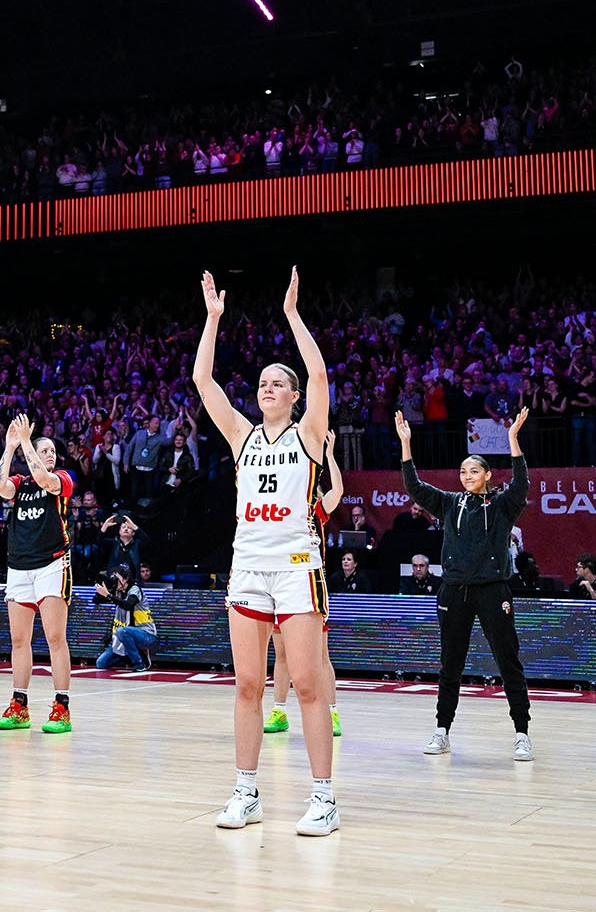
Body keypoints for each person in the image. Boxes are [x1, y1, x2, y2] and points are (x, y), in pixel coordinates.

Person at [194, 267, 338, 837]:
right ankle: (245, 791)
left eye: (277, 384)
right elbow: (205, 382)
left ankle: (324, 797)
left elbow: (322, 373)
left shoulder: (308, 433)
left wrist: (293, 316)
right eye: (261, 384)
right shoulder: (242, 436)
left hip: (298, 569)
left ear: (295, 397)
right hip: (247, 569)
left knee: (306, 684)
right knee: (248, 685)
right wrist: (212, 320)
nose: (266, 389)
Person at [398, 406, 534, 763]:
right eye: (462, 470)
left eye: (474, 470)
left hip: (493, 590)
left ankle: (522, 733)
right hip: (454, 591)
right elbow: (414, 486)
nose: (466, 475)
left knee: (508, 661)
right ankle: (442, 730)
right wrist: (406, 446)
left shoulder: (503, 505)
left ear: (487, 475)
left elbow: (522, 484)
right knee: (450, 664)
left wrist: (513, 440)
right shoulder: (449, 502)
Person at [0, 412, 77, 737]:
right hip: (19, 565)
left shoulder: (62, 479)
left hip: (52, 564)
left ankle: (62, 707)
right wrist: (11, 446)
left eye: (52, 451)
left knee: (55, 638)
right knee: (19, 640)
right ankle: (20, 705)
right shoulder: (19, 484)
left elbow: (44, 479)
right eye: (45, 450)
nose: (50, 455)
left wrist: (27, 440)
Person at [267, 431, 346, 740]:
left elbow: (337, 489)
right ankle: (279, 710)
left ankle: (332, 713)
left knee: (320, 655)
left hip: (309, 582)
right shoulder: (274, 508)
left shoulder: (316, 509)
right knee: (281, 653)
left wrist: (329, 453)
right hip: (278, 583)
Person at [93, 565, 157, 669]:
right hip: (125, 637)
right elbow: (96, 600)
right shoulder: (118, 592)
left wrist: (109, 595)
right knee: (101, 663)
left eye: (116, 579)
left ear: (125, 579)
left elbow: (127, 605)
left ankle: (139, 663)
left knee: (122, 631)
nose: (114, 581)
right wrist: (103, 586)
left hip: (146, 635)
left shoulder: (135, 590)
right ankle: (129, 658)